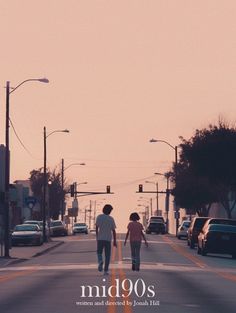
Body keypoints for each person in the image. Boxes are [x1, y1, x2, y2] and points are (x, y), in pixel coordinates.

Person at [96, 204, 117, 275]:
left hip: (100, 238)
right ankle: (105, 271)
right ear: (109, 211)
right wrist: (114, 241)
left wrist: (97, 236)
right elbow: (113, 231)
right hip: (108, 239)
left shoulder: (99, 217)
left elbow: (96, 228)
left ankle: (100, 261)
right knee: (107, 255)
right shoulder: (111, 219)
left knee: (99, 252)